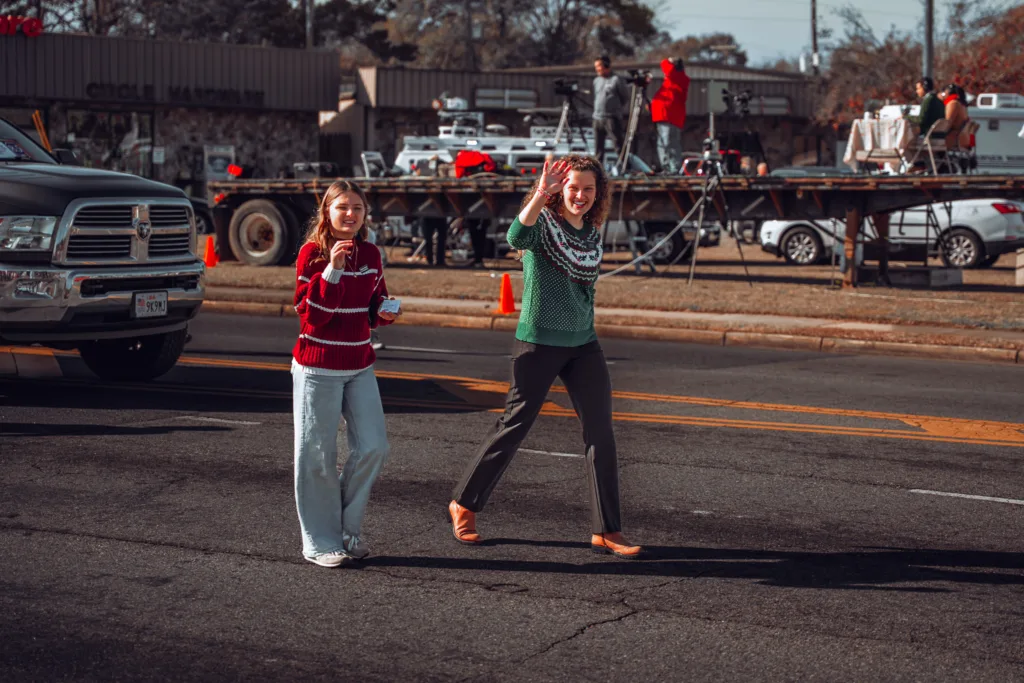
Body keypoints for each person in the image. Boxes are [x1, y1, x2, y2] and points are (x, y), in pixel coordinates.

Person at [447, 155, 642, 560]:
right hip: (538, 342)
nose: (581, 196)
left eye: (589, 189)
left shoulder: (591, 232)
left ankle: (607, 529)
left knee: (601, 434)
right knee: (514, 424)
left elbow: (587, 290)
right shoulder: (542, 226)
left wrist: (587, 327)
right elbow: (516, 237)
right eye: (573, 187)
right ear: (559, 190)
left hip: (583, 344)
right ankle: (464, 503)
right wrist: (540, 194)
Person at [292, 180, 403, 568]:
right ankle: (320, 541)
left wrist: (385, 312)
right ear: (327, 213)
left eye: (357, 208)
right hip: (317, 365)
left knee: (374, 446)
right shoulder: (312, 254)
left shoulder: (371, 253)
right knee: (317, 456)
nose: (350, 214)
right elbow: (314, 318)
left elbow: (373, 306)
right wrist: (334, 272)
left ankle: (346, 530)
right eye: (342, 207)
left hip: (359, 364)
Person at [651, 57, 690, 174]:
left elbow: (664, 64)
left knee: (664, 142)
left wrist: (668, 60)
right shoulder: (682, 79)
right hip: (674, 117)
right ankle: (674, 168)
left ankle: (667, 167)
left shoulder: (673, 76)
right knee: (673, 143)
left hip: (666, 115)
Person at [592, 55, 630, 163]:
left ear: (606, 65)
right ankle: (598, 169)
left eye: (599, 66)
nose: (597, 69)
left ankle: (624, 166)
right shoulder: (596, 80)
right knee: (598, 146)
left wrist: (615, 108)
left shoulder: (616, 79)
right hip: (597, 117)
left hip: (611, 117)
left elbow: (624, 97)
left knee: (617, 144)